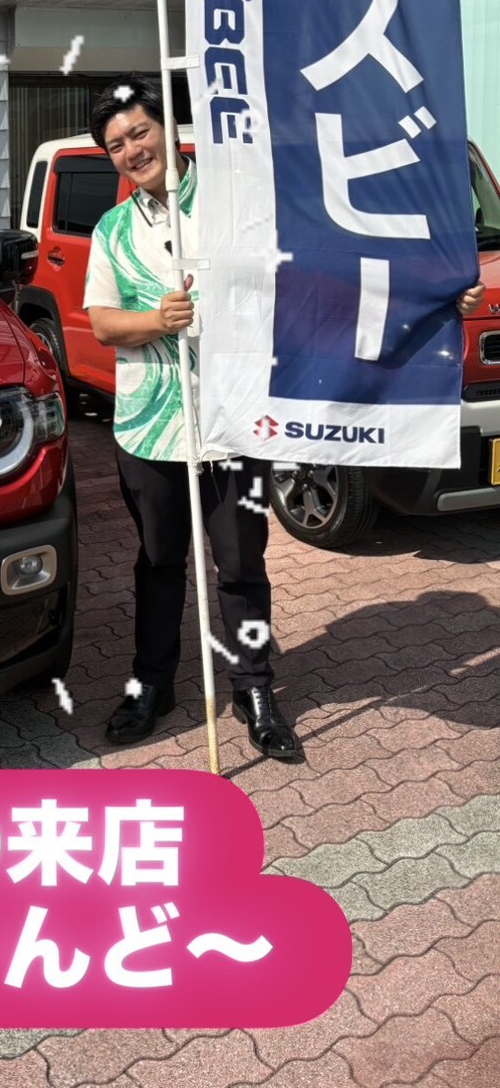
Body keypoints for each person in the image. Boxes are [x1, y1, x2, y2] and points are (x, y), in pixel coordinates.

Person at [82, 76, 484, 760]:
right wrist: (155, 320)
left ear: (168, 128)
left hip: (235, 420)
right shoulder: (113, 230)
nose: (131, 150)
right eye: (116, 144)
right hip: (149, 429)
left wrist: (441, 290)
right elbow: (101, 322)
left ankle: (254, 689)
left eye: (139, 132)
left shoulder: (237, 203)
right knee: (158, 564)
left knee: (241, 564)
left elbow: (333, 263)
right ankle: (152, 685)